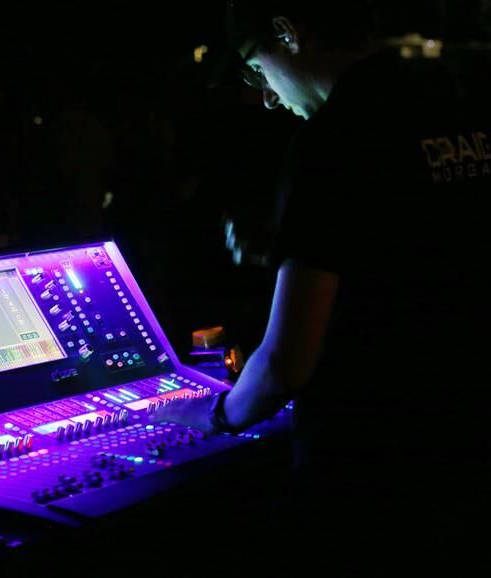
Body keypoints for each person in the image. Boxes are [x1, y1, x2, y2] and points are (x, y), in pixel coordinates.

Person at [153, 0, 490, 573]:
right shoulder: (453, 100)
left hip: (373, 467)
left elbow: (287, 362)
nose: (264, 94)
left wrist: (217, 416)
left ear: (286, 31)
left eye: (256, 68)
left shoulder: (336, 136)